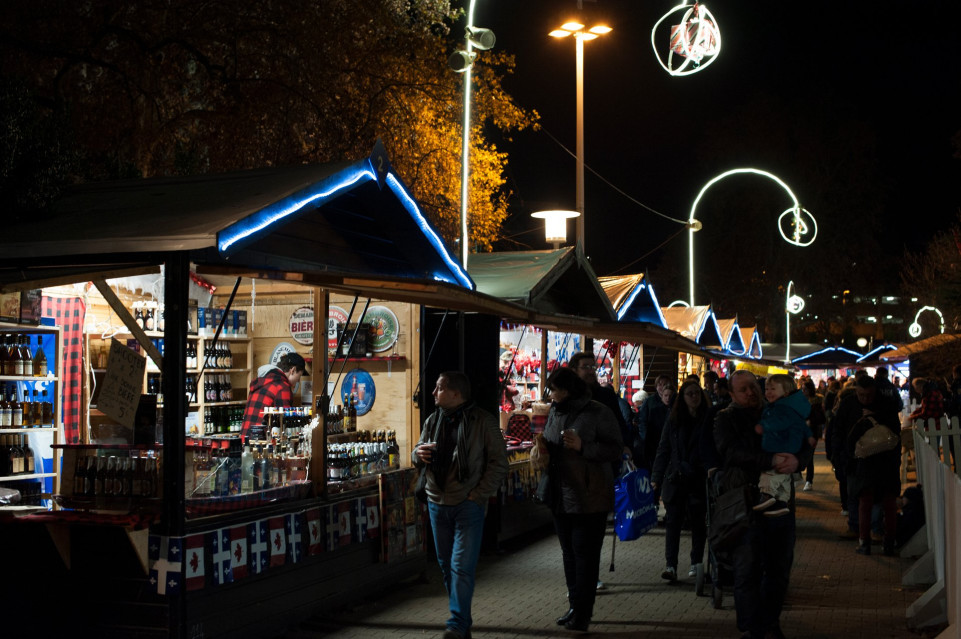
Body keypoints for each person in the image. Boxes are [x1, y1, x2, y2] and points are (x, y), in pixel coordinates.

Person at [713, 370, 813, 639]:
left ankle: (769, 623)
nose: (751, 393)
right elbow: (730, 451)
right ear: (731, 394)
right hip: (744, 500)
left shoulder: (778, 409)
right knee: (748, 568)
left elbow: (804, 440)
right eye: (743, 389)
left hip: (780, 499)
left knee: (779, 567)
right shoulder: (726, 418)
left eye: (753, 387)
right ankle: (752, 628)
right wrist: (768, 461)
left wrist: (799, 461)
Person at [411, 372, 509, 639]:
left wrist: (478, 495)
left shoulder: (483, 422)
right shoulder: (433, 420)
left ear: (456, 394)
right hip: (436, 502)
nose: (433, 393)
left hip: (467, 504)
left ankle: (456, 623)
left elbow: (500, 464)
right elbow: (417, 452)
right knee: (446, 566)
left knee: (461, 566)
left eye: (439, 388)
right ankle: (462, 622)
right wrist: (416, 453)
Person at [537, 366, 622, 632]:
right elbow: (552, 443)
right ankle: (574, 606)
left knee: (585, 555)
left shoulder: (597, 412)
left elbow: (616, 448)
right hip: (559, 493)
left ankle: (583, 613)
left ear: (566, 390)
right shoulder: (555, 411)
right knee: (569, 554)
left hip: (589, 495)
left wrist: (583, 447)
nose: (549, 394)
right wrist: (542, 447)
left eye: (552, 389)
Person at [651, 379, 710, 582]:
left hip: (699, 478)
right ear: (682, 398)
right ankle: (671, 565)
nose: (694, 397)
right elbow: (664, 448)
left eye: (697, 393)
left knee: (698, 523)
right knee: (673, 523)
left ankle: (696, 562)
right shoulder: (674, 419)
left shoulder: (708, 419)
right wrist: (656, 478)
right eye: (689, 394)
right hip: (676, 478)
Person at [843, 375, 901, 556]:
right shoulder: (887, 404)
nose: (865, 399)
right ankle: (886, 543)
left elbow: (849, 438)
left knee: (869, 504)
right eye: (861, 395)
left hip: (869, 463)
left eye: (868, 395)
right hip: (885, 463)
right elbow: (896, 431)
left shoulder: (857, 406)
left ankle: (866, 542)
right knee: (885, 504)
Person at [752, 374, 811, 517]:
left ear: (785, 392)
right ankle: (782, 503)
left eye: (772, 389)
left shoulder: (780, 408)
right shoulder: (790, 406)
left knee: (770, 476)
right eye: (766, 389)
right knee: (783, 480)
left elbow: (778, 422)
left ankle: (766, 497)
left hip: (779, 449)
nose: (768, 392)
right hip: (787, 449)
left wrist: (763, 426)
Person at [240, 352, 308, 438]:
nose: (298, 381)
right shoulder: (282, 386)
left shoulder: (262, 381)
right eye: (299, 376)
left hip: (244, 438)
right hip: (262, 442)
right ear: (293, 370)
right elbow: (286, 423)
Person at [801, 380, 826, 491]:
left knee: (809, 457)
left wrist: (811, 421)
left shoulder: (816, 401)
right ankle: (802, 477)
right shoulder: (799, 401)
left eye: (805, 389)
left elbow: (821, 418)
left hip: (811, 432)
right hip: (800, 432)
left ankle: (809, 480)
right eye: (802, 388)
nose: (803, 391)